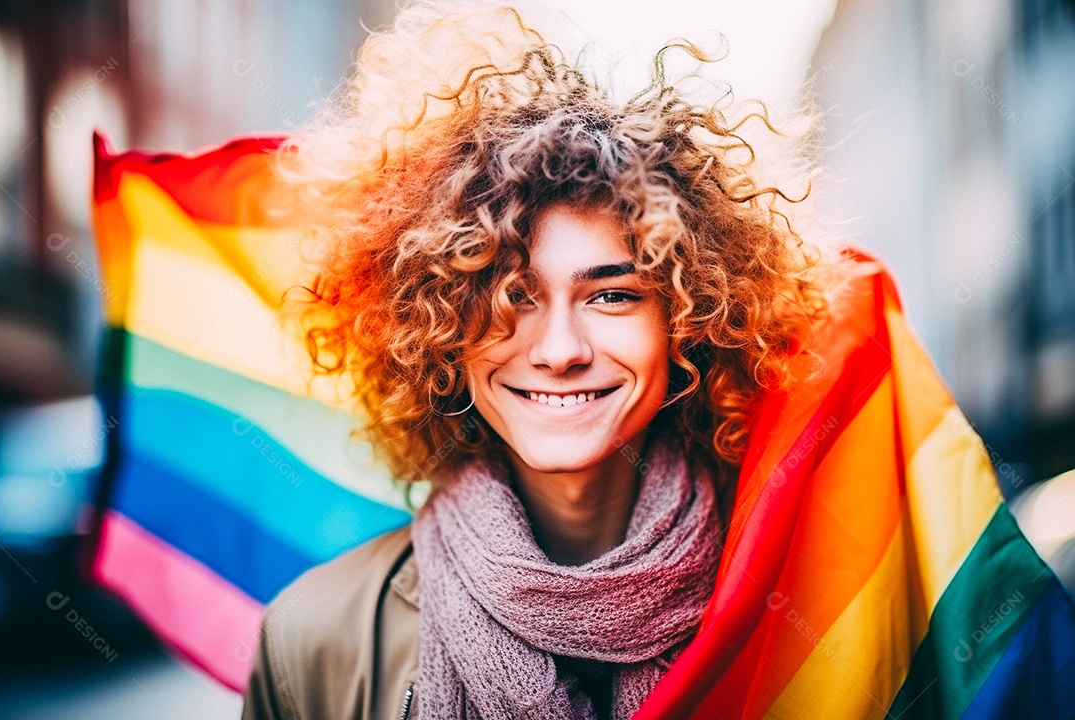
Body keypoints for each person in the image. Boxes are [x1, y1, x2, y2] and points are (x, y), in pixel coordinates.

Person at [241, 2, 827, 718]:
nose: (558, 350)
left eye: (611, 296)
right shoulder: (315, 641)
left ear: (691, 321)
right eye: (512, 295)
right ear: (437, 327)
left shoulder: (815, 605)